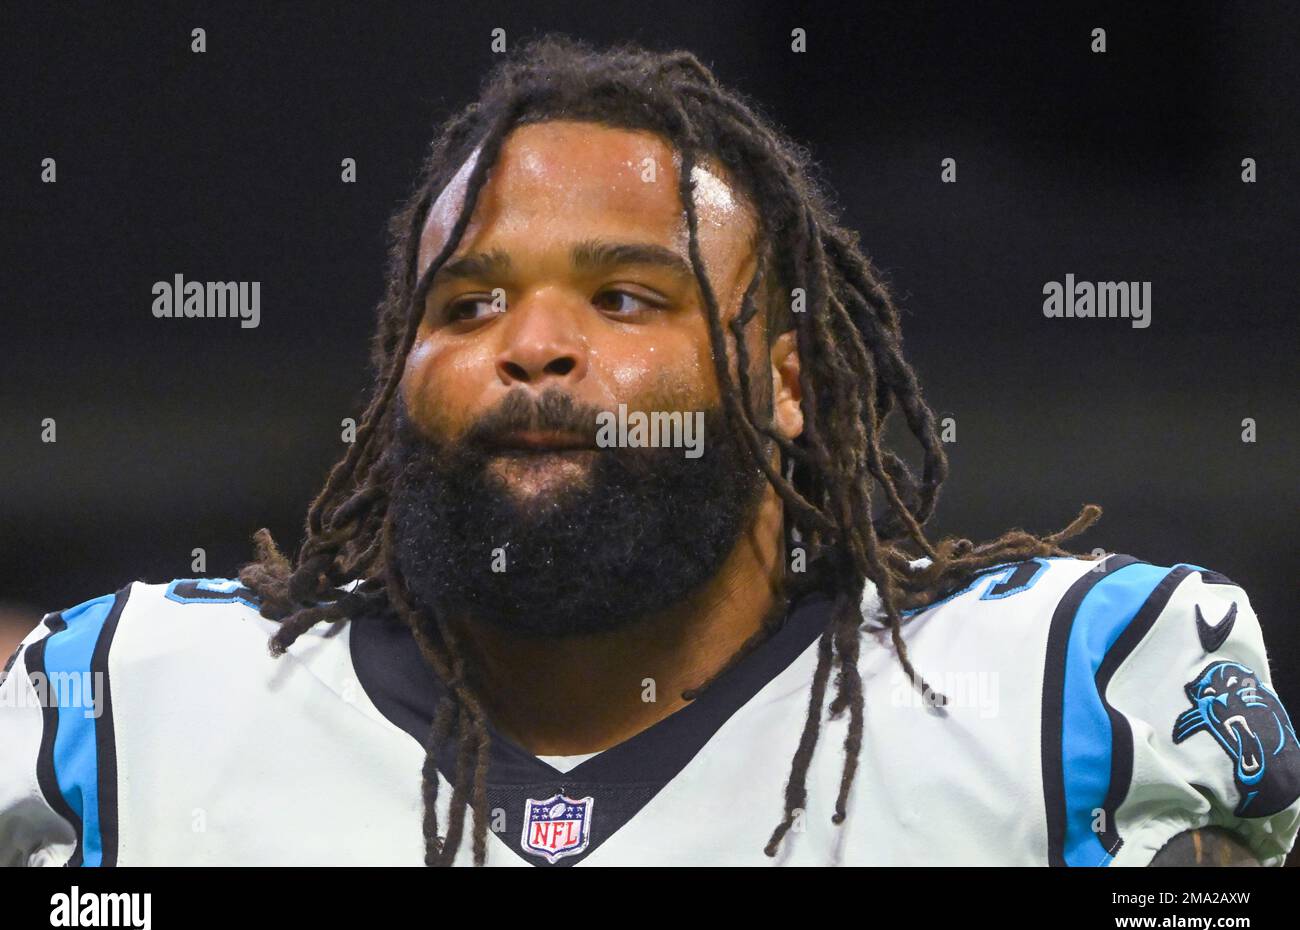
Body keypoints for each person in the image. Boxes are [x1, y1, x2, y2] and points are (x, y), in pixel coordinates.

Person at [3, 35, 1297, 867]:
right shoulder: (135, 704)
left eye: (625, 297)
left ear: (787, 381)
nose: (533, 348)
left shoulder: (1076, 687)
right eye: (468, 304)